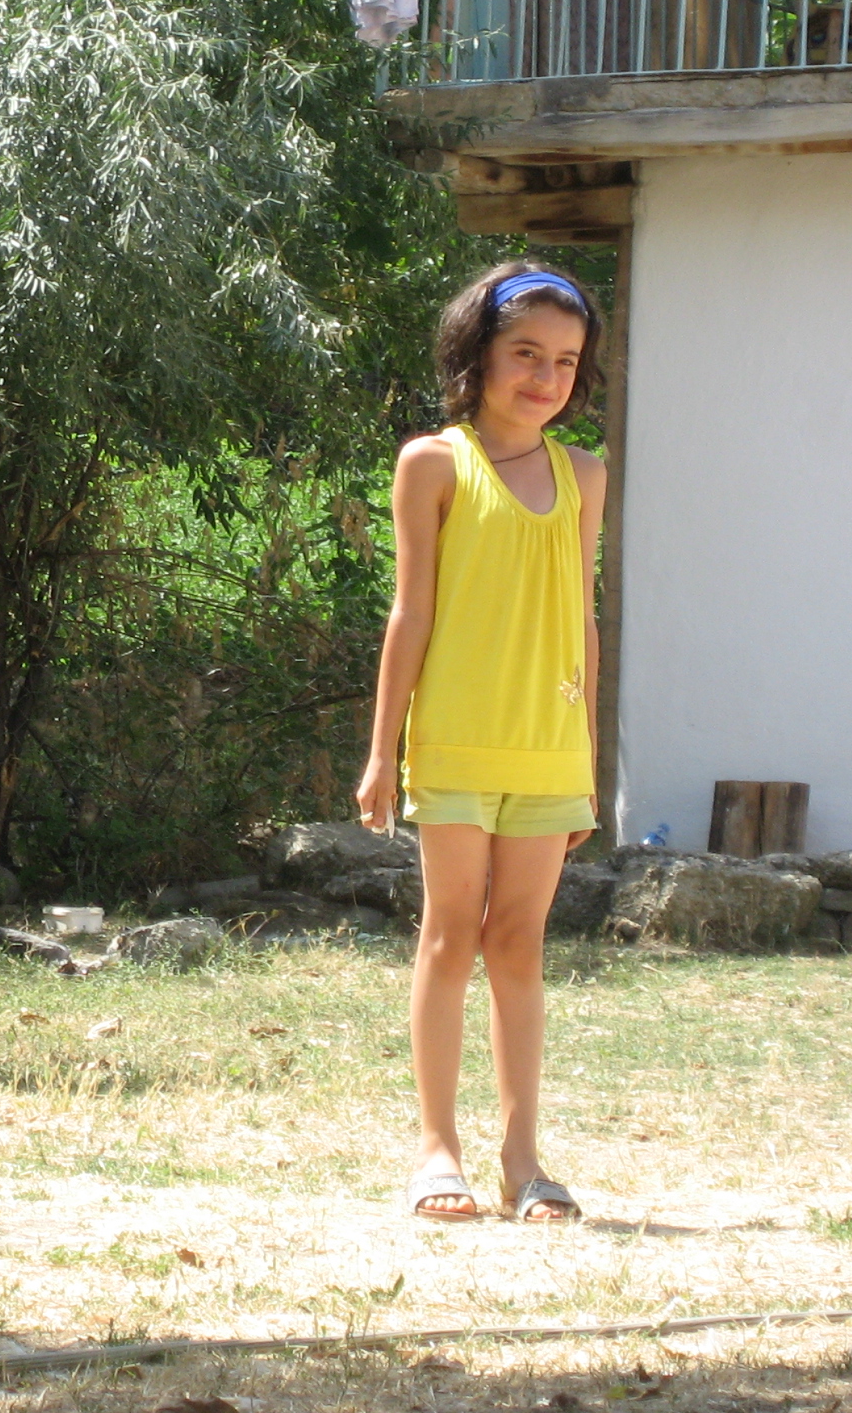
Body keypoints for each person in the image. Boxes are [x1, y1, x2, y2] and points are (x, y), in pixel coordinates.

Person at [354, 261, 606, 1224]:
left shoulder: (586, 476)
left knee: (519, 945)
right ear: (480, 354)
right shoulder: (432, 463)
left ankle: (523, 1159)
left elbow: (582, 622)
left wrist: (587, 760)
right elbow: (410, 614)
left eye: (566, 361)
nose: (546, 377)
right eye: (526, 354)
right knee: (451, 933)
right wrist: (383, 752)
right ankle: (437, 1153)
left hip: (548, 750)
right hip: (454, 742)